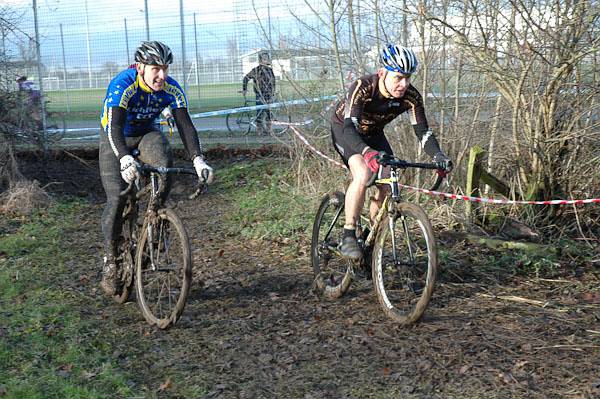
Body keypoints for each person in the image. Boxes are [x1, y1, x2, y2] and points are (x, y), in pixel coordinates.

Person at [98, 41, 214, 295]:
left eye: (165, 68)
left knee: (164, 166)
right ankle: (110, 260)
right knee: (117, 198)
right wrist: (124, 158)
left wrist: (198, 159)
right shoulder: (123, 84)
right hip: (115, 138)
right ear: (140, 67)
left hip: (146, 134)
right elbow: (114, 128)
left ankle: (154, 225)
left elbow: (185, 124)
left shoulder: (171, 88)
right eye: (155, 69)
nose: (162, 75)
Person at [330, 44, 453, 260]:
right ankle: (348, 234)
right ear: (382, 73)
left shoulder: (411, 97)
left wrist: (438, 156)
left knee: (389, 180)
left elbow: (422, 131)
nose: (404, 84)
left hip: (374, 132)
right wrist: (367, 153)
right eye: (398, 77)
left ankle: (369, 238)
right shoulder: (364, 87)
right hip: (346, 130)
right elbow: (350, 128)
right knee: (363, 173)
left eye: (408, 77)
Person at [242, 50, 276, 135]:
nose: (266, 60)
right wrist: (244, 89)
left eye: (267, 59)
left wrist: (273, 92)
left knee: (268, 113)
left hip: (268, 95)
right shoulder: (256, 70)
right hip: (259, 95)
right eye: (264, 59)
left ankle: (269, 130)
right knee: (259, 113)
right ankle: (259, 130)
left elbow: (273, 82)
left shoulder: (270, 70)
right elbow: (246, 78)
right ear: (260, 60)